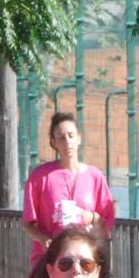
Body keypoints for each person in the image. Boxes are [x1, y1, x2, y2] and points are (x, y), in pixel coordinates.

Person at [21, 112, 115, 265]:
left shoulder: (94, 176)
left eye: (71, 136)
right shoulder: (41, 176)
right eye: (61, 137)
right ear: (54, 142)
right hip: (50, 259)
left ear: (79, 138)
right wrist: (43, 240)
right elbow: (27, 223)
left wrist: (90, 217)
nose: (67, 142)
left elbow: (106, 221)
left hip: (84, 260)